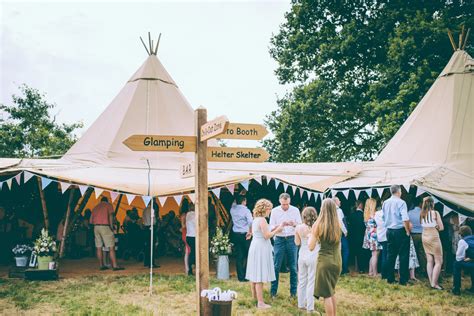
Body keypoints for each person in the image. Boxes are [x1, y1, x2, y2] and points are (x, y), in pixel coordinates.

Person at [245, 199, 284, 309]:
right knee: (259, 275)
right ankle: (260, 303)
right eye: (269, 209)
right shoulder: (262, 220)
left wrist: (276, 227)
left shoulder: (256, 219)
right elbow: (267, 235)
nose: (270, 211)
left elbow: (257, 232)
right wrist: (278, 230)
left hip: (255, 246)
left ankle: (254, 298)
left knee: (254, 273)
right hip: (261, 248)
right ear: (264, 209)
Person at [308, 198, 342, 316]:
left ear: (322, 209)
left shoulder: (318, 224)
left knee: (326, 294)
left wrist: (311, 235)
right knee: (331, 291)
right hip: (337, 260)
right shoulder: (338, 223)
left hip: (324, 262)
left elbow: (311, 247)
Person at [269, 193, 302, 298]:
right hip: (279, 239)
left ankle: (293, 293)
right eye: (283, 204)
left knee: (293, 266)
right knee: (276, 266)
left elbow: (300, 225)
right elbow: (271, 227)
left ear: (290, 201)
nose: (285, 206)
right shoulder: (274, 211)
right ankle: (273, 292)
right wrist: (281, 225)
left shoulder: (295, 210)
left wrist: (294, 224)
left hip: (292, 239)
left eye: (287, 204)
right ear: (280, 202)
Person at [383, 185, 411, 285]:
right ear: (399, 191)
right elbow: (405, 218)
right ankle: (403, 280)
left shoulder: (385, 202)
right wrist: (407, 231)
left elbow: (383, 217)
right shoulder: (401, 202)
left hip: (389, 230)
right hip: (400, 230)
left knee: (390, 255)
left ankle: (390, 278)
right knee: (403, 255)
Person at [295, 207, 319, 312]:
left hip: (302, 255)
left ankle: (300, 304)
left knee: (302, 280)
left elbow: (297, 243)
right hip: (313, 255)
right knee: (311, 281)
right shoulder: (317, 227)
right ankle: (310, 307)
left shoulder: (298, 227)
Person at [90, 197, 124, 271]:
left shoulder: (95, 207)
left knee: (99, 247)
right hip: (105, 226)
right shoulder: (108, 205)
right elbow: (111, 216)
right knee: (111, 247)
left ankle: (101, 265)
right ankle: (115, 266)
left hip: (96, 227)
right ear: (107, 201)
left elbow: (90, 220)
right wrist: (111, 227)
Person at [420, 196, 444, 290]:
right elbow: (441, 228)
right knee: (439, 261)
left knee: (429, 260)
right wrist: (437, 226)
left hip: (424, 236)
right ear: (432, 203)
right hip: (433, 236)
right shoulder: (435, 213)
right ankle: (434, 284)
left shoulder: (422, 213)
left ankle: (431, 282)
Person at [230, 195, 253, 282]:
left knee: (239, 256)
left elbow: (233, 203)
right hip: (245, 235)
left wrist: (240, 194)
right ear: (244, 201)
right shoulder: (246, 210)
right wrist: (250, 231)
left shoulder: (232, 209)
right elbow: (251, 221)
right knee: (249, 255)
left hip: (236, 235)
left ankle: (240, 277)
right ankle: (246, 275)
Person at [452, 226, 474, 295]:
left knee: (456, 264)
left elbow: (459, 257)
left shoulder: (463, 241)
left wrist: (467, 258)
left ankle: (456, 289)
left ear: (461, 234)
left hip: (471, 261)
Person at [362, 198, 382, 277]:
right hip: (374, 234)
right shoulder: (374, 214)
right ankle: (375, 273)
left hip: (369, 234)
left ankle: (370, 272)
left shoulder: (366, 215)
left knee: (372, 254)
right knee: (375, 254)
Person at [408, 198, 426, 276]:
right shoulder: (424, 213)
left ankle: (413, 271)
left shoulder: (409, 213)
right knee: (422, 253)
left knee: (412, 254)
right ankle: (423, 270)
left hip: (412, 235)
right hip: (422, 234)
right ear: (420, 204)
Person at [348, 200, 366, 273]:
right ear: (360, 205)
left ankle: (356, 267)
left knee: (356, 252)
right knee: (362, 253)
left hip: (353, 237)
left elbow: (350, 227)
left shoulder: (352, 215)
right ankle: (362, 268)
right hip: (362, 236)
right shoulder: (363, 215)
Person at [333, 197, 349, 275]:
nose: (340, 201)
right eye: (339, 200)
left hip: (332, 233)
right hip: (340, 233)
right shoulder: (339, 210)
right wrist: (345, 231)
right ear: (335, 202)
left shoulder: (330, 210)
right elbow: (340, 222)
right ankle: (344, 268)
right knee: (345, 250)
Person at [142, 202, 159, 268]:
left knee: (147, 246)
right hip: (151, 227)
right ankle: (151, 263)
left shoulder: (144, 210)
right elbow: (154, 220)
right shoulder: (152, 210)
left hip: (146, 228)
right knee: (152, 246)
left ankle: (146, 262)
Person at [374, 204, 388, 279]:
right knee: (385, 255)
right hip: (386, 235)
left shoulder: (376, 213)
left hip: (380, 235)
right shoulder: (386, 213)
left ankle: (383, 272)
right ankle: (385, 274)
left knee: (383, 255)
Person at [183, 203, 196, 276]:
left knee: (190, 253)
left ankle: (190, 268)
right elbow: (197, 224)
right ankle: (191, 268)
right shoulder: (194, 215)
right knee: (193, 253)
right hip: (194, 236)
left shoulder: (188, 214)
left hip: (188, 236)